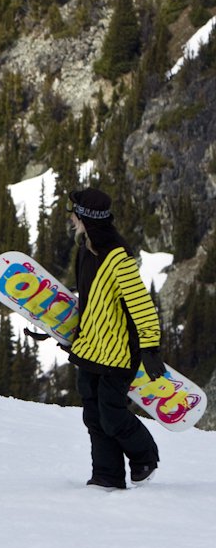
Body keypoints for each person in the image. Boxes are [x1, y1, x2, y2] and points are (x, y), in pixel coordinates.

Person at [66, 187, 164, 489]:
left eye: (73, 212)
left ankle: (145, 457)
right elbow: (89, 303)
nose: (70, 217)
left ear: (85, 217)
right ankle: (106, 477)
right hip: (90, 349)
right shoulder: (86, 248)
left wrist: (150, 346)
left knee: (111, 414)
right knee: (94, 417)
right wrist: (60, 330)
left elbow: (140, 302)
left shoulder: (117, 256)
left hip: (118, 353)